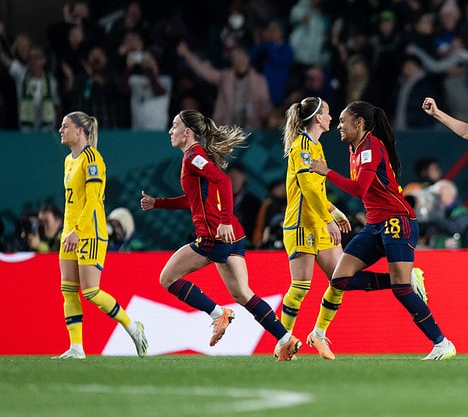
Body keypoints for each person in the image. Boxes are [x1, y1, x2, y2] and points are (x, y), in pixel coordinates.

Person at [140, 109, 301, 360]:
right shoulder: (196, 157)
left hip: (214, 236)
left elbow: (224, 182)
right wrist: (158, 203)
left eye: (174, 125)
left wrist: (224, 220)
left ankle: (218, 314)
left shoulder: (193, 156)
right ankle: (286, 339)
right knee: (243, 294)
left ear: (188, 132)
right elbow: (194, 200)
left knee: (167, 278)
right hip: (233, 236)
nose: (170, 130)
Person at [309, 100, 456, 360]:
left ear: (359, 122)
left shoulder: (372, 146)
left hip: (397, 220)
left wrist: (326, 172)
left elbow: (359, 190)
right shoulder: (354, 149)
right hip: (375, 224)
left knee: (401, 291)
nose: (339, 126)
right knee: (339, 280)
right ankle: (408, 279)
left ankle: (442, 343)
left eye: (343, 121)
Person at [55, 111, 148, 359]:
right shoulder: (68, 161)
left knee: (90, 291)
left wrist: (77, 230)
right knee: (68, 290)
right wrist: (67, 231)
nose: (60, 130)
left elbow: (94, 200)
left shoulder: (93, 159)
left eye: (65, 126)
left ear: (80, 131)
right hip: (69, 233)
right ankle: (76, 348)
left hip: (90, 233)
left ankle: (132, 327)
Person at [280, 96, 352, 360]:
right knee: (300, 287)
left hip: (319, 221)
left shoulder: (316, 147)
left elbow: (318, 189)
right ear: (318, 118)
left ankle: (318, 333)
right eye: (329, 113)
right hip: (302, 224)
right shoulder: (302, 147)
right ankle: (283, 343)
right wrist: (328, 219)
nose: (332, 118)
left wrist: (334, 210)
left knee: (340, 280)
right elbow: (307, 188)